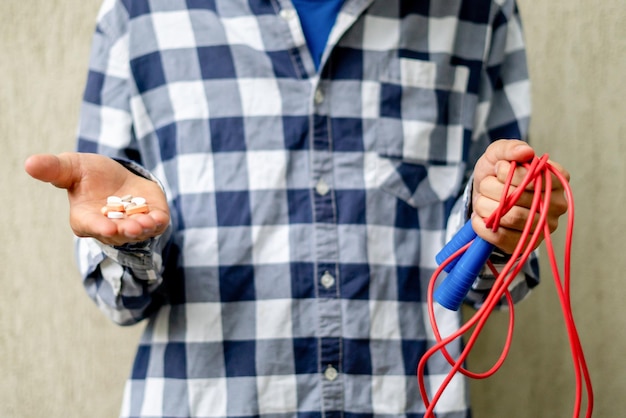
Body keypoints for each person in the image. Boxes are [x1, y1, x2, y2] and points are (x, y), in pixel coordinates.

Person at [25, 0, 570, 417]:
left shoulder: (479, 11)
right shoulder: (137, 14)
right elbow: (116, 298)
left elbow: (494, 275)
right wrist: (129, 242)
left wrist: (500, 224)